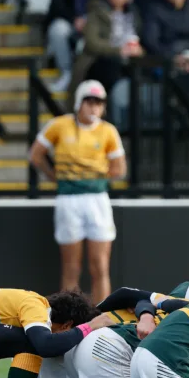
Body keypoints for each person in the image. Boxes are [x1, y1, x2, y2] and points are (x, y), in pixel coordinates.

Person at [28, 80, 126, 304]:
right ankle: (70, 318)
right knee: (71, 266)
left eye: (98, 103)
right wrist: (55, 176)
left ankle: (102, 314)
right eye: (89, 102)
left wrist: (93, 178)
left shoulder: (108, 131)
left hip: (97, 199)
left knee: (100, 265)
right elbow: (36, 154)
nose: (93, 107)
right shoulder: (59, 125)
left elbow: (119, 168)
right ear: (79, 103)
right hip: (68, 199)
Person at [73, 0, 144, 97]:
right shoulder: (96, 11)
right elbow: (92, 42)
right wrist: (119, 51)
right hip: (99, 61)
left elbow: (142, 39)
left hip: (130, 61)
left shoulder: (135, 14)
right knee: (112, 66)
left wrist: (139, 51)